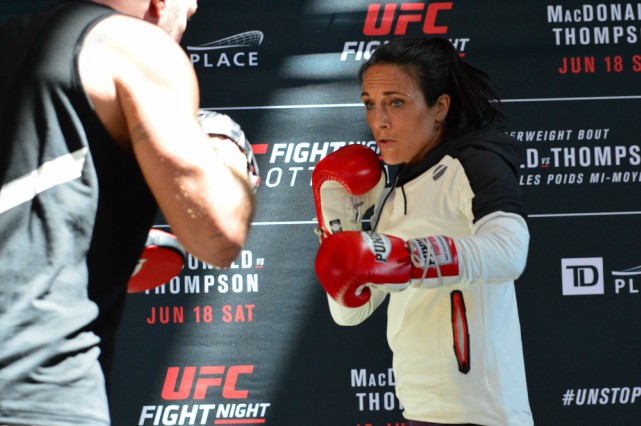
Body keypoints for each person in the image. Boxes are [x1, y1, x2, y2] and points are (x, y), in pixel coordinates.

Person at [0, 0, 255, 424]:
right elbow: (218, 235)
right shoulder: (134, 47)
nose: (188, 11)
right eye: (187, 11)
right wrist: (226, 151)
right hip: (37, 395)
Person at [313, 37, 533, 425]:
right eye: (370, 104)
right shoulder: (394, 194)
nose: (379, 120)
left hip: (481, 412)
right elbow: (352, 312)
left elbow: (510, 250)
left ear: (440, 108)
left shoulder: (474, 161)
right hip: (420, 409)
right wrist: (339, 228)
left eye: (396, 102)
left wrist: (410, 258)